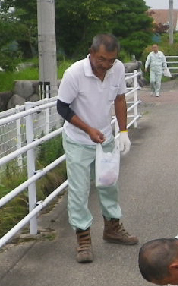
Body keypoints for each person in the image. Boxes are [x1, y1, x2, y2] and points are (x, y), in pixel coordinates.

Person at [56, 33, 138, 263]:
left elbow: (120, 99)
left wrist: (123, 132)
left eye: (111, 60)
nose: (106, 65)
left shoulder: (118, 69)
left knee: (109, 184)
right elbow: (62, 108)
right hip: (78, 141)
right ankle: (83, 238)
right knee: (80, 190)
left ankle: (112, 228)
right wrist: (88, 129)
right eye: (102, 59)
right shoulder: (74, 73)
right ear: (91, 53)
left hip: (105, 138)